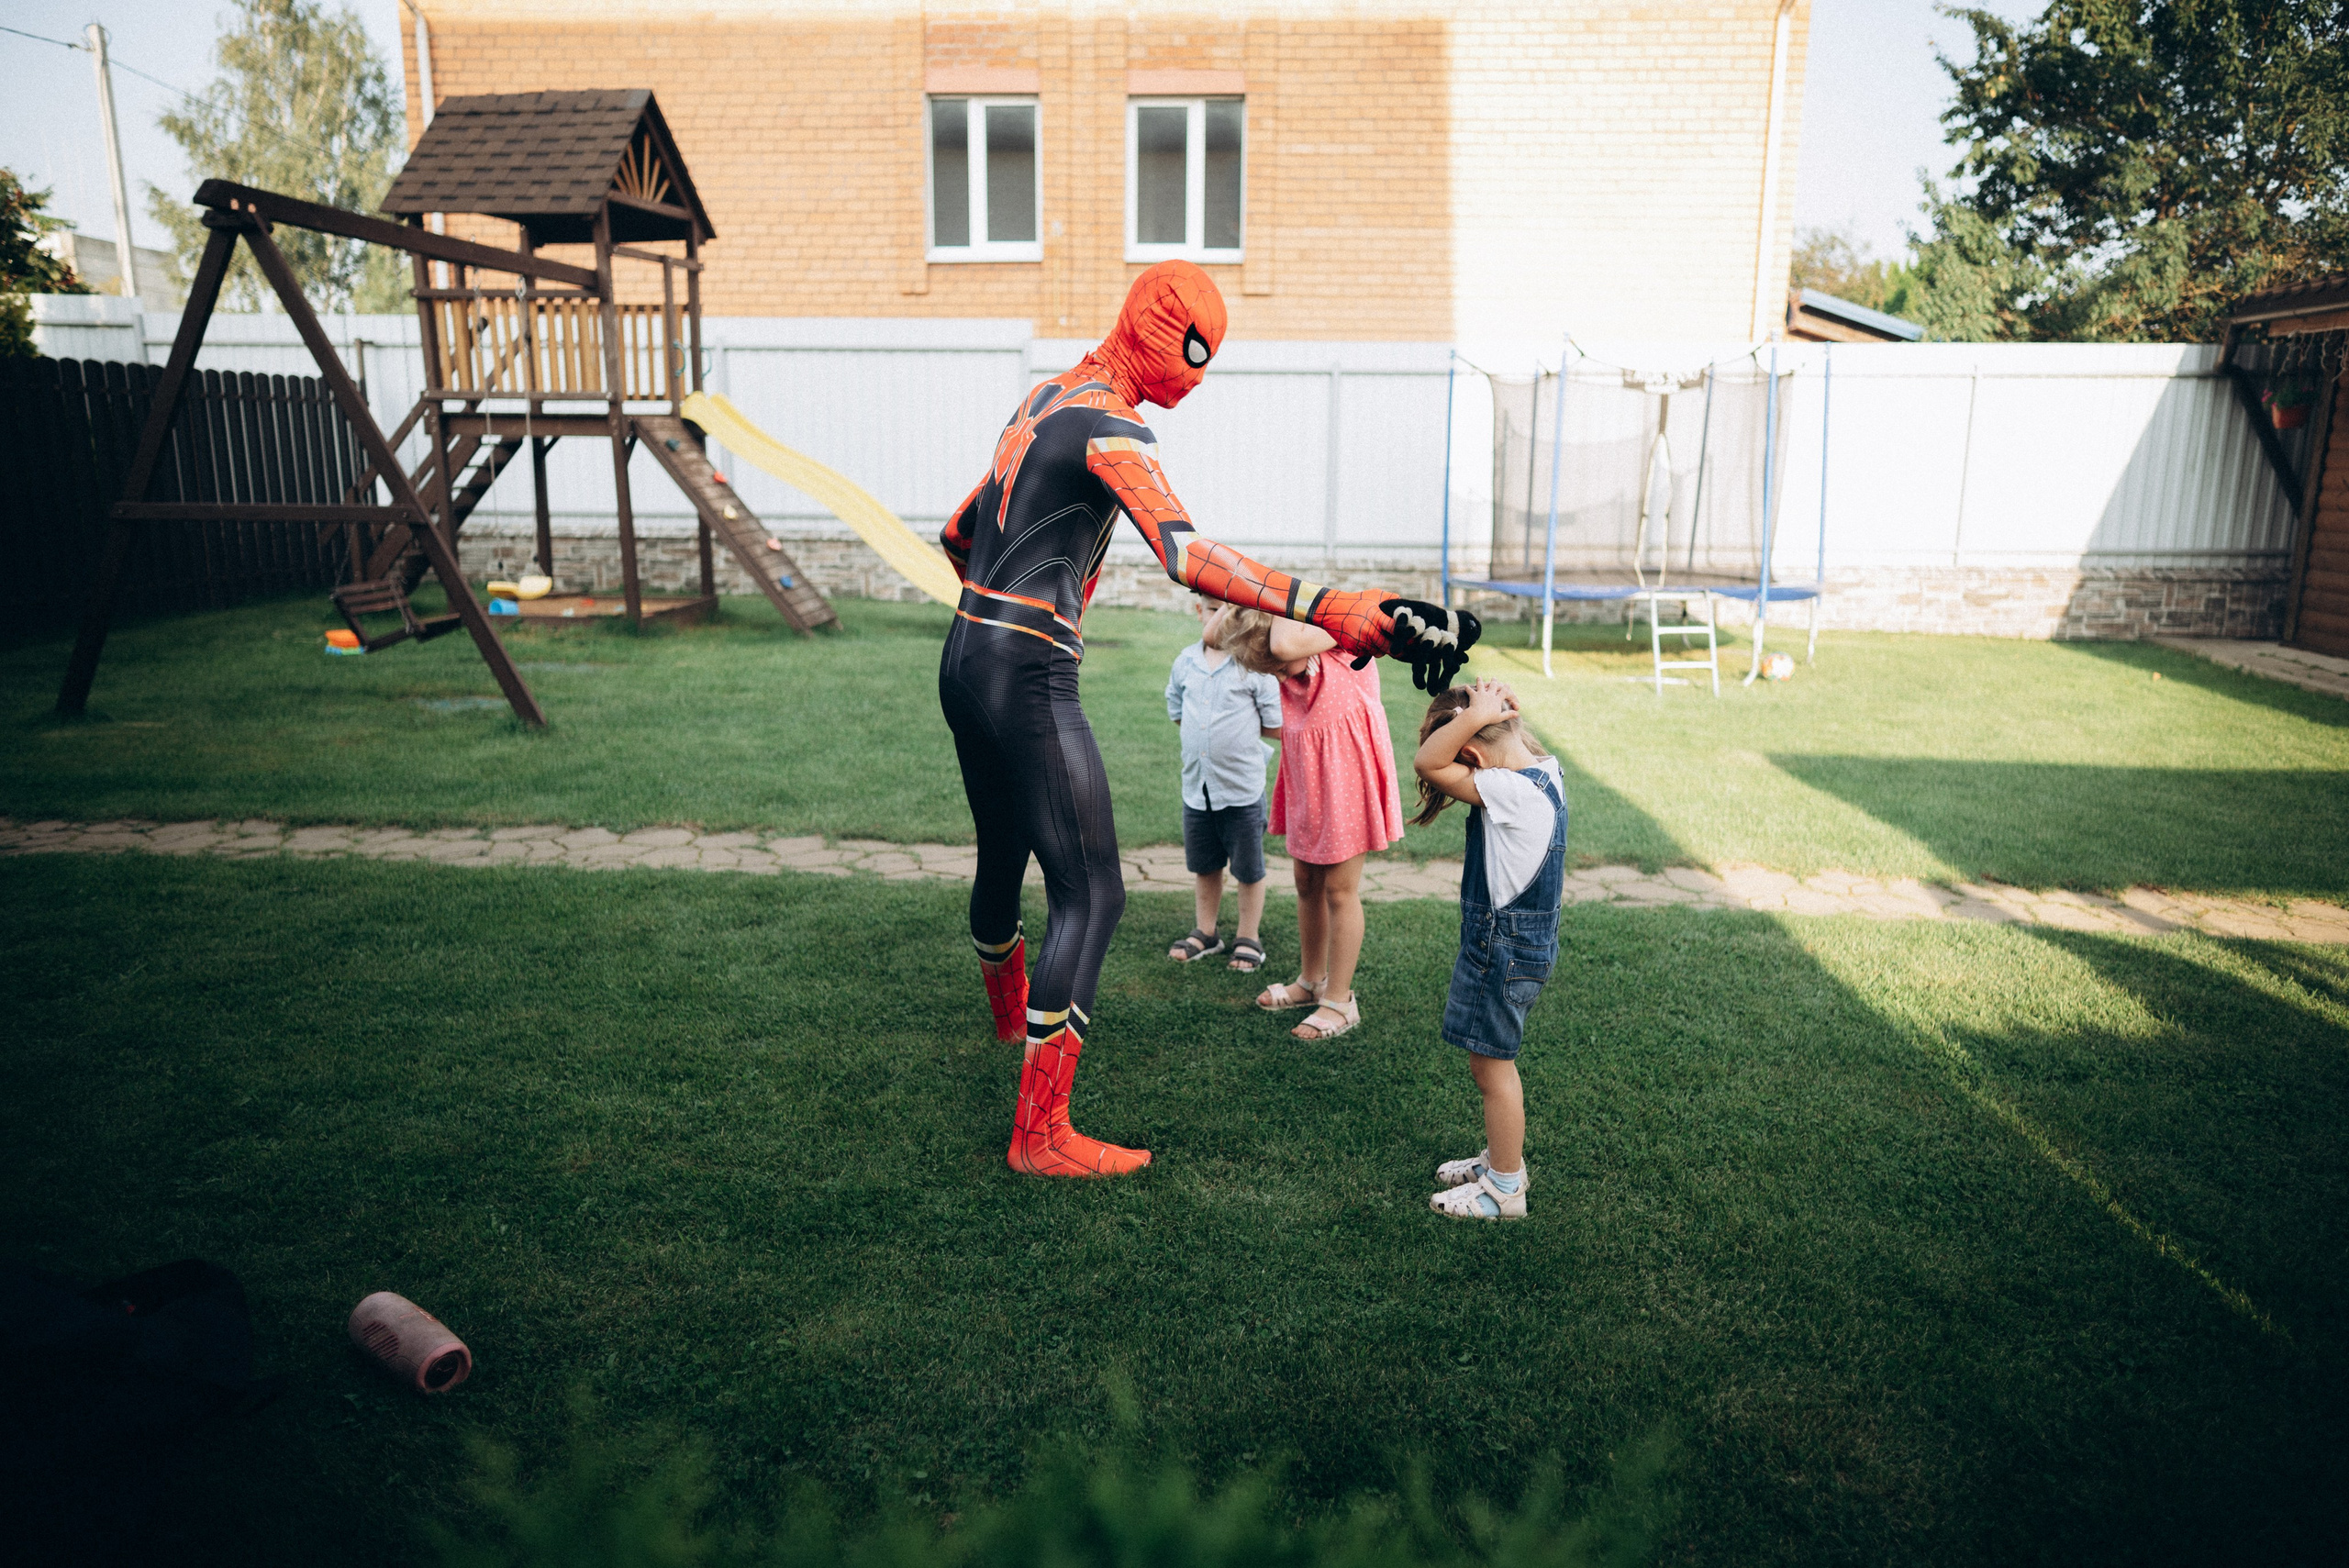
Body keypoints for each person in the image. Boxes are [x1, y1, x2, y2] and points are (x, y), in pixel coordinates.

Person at [939, 259, 1479, 1179]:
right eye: (1194, 352)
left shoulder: (1044, 397)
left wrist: (1017, 608)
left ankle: (1008, 1019)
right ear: (1158, 330)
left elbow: (960, 529)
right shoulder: (1110, 426)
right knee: (1092, 892)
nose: (1195, 376)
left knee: (1002, 851)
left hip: (966, 652)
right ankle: (1039, 1131)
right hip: (1025, 665)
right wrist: (1348, 610)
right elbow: (1186, 555)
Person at [1408, 679, 1564, 1221]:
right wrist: (1488, 712)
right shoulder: (1545, 772)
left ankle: (1505, 1189)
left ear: (1471, 751)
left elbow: (1429, 763)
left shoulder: (1509, 790)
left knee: (1492, 1067)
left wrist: (1472, 717)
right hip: (1521, 944)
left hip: (1502, 948)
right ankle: (1500, 1160)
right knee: (1491, 1061)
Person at [1218, 606, 1406, 1042]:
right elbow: (1221, 633)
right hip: (1309, 780)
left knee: (1340, 890)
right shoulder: (1291, 657)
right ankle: (1311, 981)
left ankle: (1340, 1001)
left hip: (1347, 782)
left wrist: (1284, 599)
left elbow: (1283, 643)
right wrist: (1243, 599)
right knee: (1306, 882)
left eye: (1278, 666)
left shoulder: (1342, 642)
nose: (1280, 674)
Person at [1165, 599, 1282, 973]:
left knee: (1248, 868)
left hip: (1241, 790)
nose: (1218, 617)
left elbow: (1275, 723)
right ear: (1198, 612)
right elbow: (1177, 708)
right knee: (1205, 865)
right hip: (1197, 788)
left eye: (1226, 611)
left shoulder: (1253, 667)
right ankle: (1206, 931)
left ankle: (1249, 936)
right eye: (1211, 608)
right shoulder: (1186, 661)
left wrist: (1238, 736)